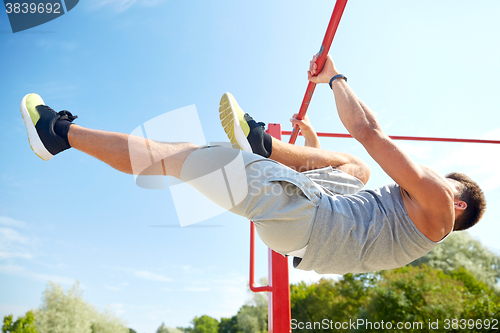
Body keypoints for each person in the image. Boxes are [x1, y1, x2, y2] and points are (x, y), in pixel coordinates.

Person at [19, 55, 486, 275]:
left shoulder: (438, 204)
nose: (428, 180)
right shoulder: (405, 226)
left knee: (173, 155)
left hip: (310, 217)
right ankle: (264, 146)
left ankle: (56, 135)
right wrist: (309, 143)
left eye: (444, 183)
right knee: (356, 169)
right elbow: (353, 176)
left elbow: (369, 130)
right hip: (308, 234)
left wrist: (334, 78)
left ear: (458, 202)